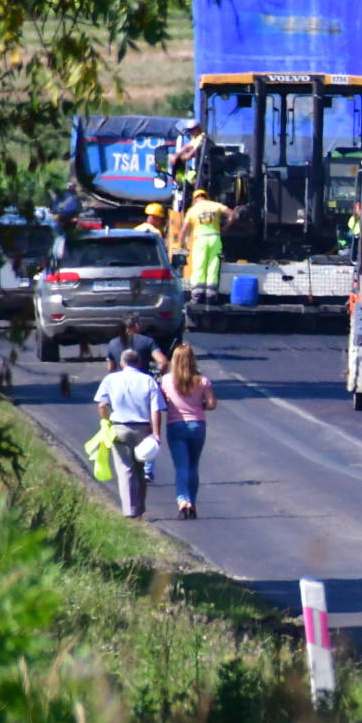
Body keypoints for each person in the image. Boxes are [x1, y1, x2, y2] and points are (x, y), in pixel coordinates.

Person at [94, 349, 165, 518]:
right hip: (142, 429)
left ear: (121, 363)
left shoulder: (110, 379)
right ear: (139, 363)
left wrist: (105, 422)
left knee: (125, 470)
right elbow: (156, 409)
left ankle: (129, 511)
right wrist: (156, 433)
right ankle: (140, 508)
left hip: (119, 427)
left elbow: (102, 405)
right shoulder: (148, 380)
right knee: (140, 469)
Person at [160, 342, 217, 520]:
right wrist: (200, 405)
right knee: (193, 465)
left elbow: (162, 403)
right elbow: (212, 404)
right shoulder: (202, 381)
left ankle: (183, 500)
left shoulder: (166, 380)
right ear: (192, 360)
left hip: (175, 425)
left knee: (181, 466)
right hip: (197, 425)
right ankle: (192, 501)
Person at [182, 189, 236, 302]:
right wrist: (225, 227)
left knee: (199, 265)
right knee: (213, 265)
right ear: (206, 197)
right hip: (215, 238)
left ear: (194, 199)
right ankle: (211, 294)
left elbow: (183, 231)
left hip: (200, 240)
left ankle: (197, 294)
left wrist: (182, 245)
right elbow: (233, 214)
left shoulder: (192, 210)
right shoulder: (215, 205)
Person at [171, 117, 207, 189]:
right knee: (178, 162)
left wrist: (186, 156)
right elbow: (186, 147)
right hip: (197, 167)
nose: (190, 132)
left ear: (197, 128)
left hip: (203, 168)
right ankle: (181, 180)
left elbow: (196, 150)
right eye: (189, 130)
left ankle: (187, 182)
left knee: (183, 166)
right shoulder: (195, 138)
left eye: (192, 130)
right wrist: (176, 155)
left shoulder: (202, 137)